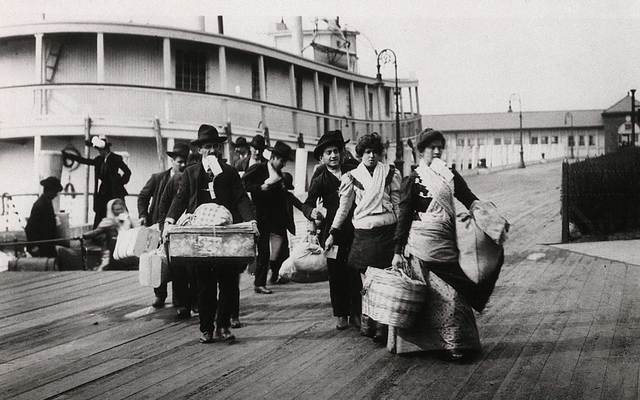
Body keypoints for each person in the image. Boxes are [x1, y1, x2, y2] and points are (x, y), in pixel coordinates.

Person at [391, 129, 489, 361]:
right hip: (421, 244)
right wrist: (397, 251)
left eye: (439, 147)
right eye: (430, 147)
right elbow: (404, 217)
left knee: (455, 296)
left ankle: (458, 344)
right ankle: (422, 345)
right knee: (428, 297)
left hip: (446, 242)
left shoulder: (450, 174)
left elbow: (468, 197)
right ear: (420, 150)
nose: (435, 151)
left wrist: (483, 211)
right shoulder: (412, 180)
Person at [165, 124, 255, 344]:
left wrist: (251, 220)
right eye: (207, 146)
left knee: (229, 283)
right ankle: (206, 328)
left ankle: (223, 325)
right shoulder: (191, 172)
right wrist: (169, 220)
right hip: (201, 235)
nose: (212, 150)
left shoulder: (230, 172)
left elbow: (241, 197)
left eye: (215, 146)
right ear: (200, 150)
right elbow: (181, 198)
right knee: (204, 285)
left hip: (226, 233)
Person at [326, 132, 402, 344]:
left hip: (387, 232)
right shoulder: (351, 178)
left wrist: (403, 231)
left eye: (375, 152)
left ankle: (384, 326)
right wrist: (333, 232)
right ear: (360, 154)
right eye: (367, 152)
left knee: (386, 281)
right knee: (368, 282)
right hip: (364, 235)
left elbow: (397, 203)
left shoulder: (390, 173)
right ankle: (371, 323)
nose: (371, 156)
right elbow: (344, 208)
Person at [303, 130, 361, 331]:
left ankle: (357, 313)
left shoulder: (353, 170)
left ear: (341, 152)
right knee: (336, 275)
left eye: (336, 151)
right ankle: (341, 314)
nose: (333, 155)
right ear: (322, 157)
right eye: (328, 152)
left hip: (354, 230)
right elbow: (307, 204)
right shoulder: (320, 179)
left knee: (354, 272)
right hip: (331, 235)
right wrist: (313, 213)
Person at [137, 142, 189, 311]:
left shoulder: (188, 178)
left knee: (177, 263)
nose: (183, 165)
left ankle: (179, 301)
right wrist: (143, 215)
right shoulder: (158, 178)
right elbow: (143, 197)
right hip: (157, 225)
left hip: (179, 227)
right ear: (172, 161)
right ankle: (160, 295)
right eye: (180, 161)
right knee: (156, 260)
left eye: (185, 162)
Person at [243, 140, 294, 294]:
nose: (283, 164)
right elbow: (243, 184)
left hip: (276, 217)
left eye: (285, 161)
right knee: (264, 251)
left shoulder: (279, 175)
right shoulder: (259, 168)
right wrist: (259, 188)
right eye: (281, 160)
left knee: (281, 249)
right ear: (273, 157)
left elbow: (284, 196)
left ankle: (275, 275)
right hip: (261, 216)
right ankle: (259, 283)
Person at [62, 136, 131, 228]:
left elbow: (127, 172)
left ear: (105, 150)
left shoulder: (115, 158)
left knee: (120, 212)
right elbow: (85, 161)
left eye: (100, 150)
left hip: (115, 191)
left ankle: (125, 230)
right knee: (100, 213)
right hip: (103, 191)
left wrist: (120, 183)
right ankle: (96, 233)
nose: (99, 152)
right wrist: (69, 156)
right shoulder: (99, 160)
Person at [83, 198, 137, 270]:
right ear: (112, 210)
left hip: (127, 250)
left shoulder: (128, 220)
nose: (119, 211)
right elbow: (96, 232)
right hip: (111, 251)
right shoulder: (108, 222)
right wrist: (85, 235)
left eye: (121, 209)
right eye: (116, 210)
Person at [25, 176, 63, 258]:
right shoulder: (40, 205)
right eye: (55, 192)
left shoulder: (47, 203)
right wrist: (34, 246)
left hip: (48, 245)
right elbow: (30, 228)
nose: (56, 195)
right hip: (41, 247)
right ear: (49, 191)